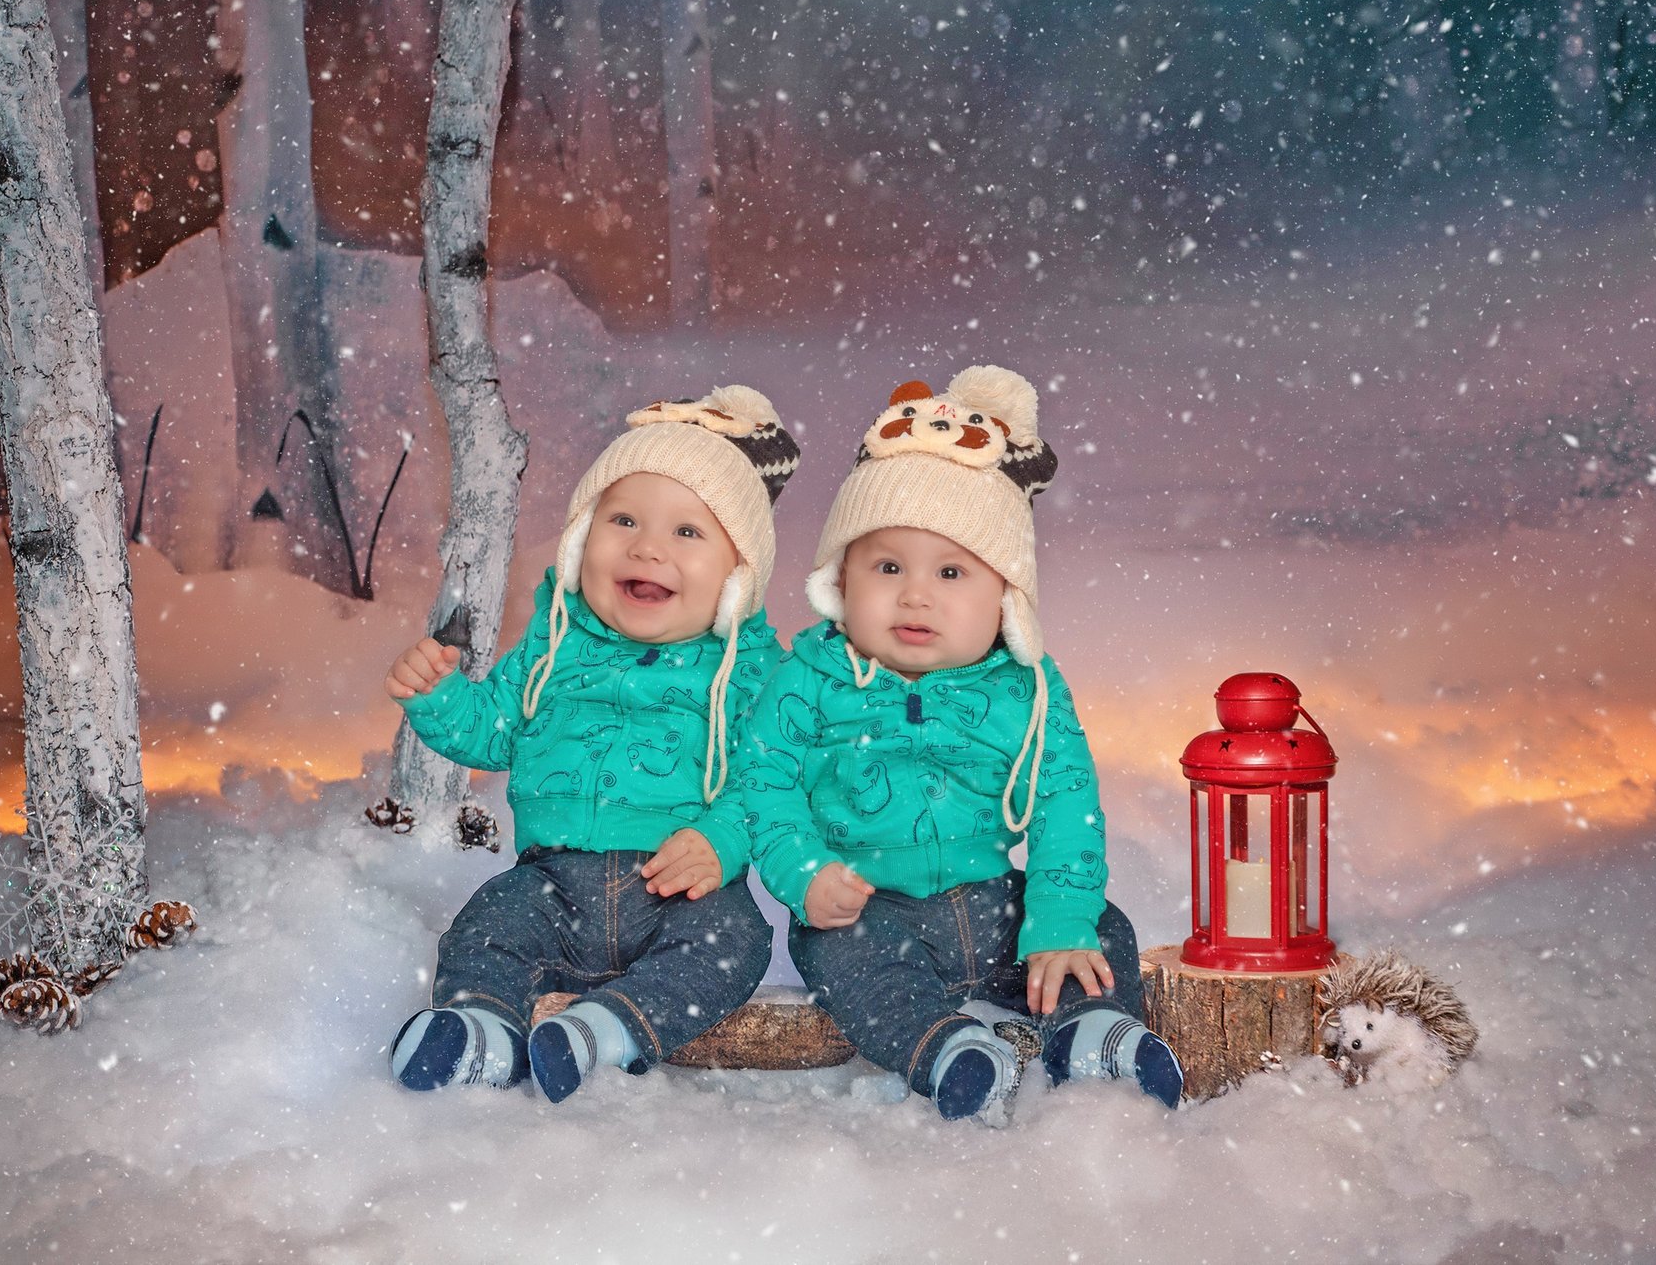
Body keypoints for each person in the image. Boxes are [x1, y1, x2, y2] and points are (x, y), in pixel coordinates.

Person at [735, 366, 1183, 1124]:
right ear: (842, 578)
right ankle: (942, 1048)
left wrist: (1058, 917)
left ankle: (1091, 1029)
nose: (916, 594)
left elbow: (1063, 796)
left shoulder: (1024, 686)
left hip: (991, 905)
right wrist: (806, 874)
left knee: (1102, 927)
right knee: (838, 954)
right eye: (886, 566)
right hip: (869, 910)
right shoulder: (809, 674)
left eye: (951, 571)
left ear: (1004, 594)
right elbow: (764, 778)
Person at [385, 387, 798, 1101]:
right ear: (583, 540)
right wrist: (439, 698)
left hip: (678, 892)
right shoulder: (556, 641)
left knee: (736, 941)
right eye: (624, 519)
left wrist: (721, 842)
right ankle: (478, 1030)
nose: (646, 546)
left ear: (737, 580)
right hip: (552, 884)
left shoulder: (752, 669)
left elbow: (775, 778)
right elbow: (495, 730)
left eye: (687, 533)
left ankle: (605, 1031)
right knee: (486, 927)